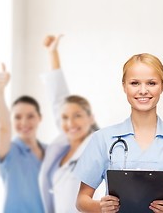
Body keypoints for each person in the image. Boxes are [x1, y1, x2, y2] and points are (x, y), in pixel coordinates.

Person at [74, 53, 163, 213]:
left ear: (162, 86)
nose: (143, 90)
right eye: (135, 83)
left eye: (151, 83)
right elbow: (81, 200)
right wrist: (100, 207)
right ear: (124, 86)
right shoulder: (103, 139)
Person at [39, 35, 105, 213]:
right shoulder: (62, 147)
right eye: (65, 117)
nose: (71, 123)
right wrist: (52, 54)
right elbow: (59, 100)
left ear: (90, 119)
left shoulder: (97, 149)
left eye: (78, 115)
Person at [0, 64, 45, 213]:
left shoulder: (50, 151)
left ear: (39, 118)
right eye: (17, 117)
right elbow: (4, 129)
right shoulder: (10, 151)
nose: (24, 122)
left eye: (30, 116)